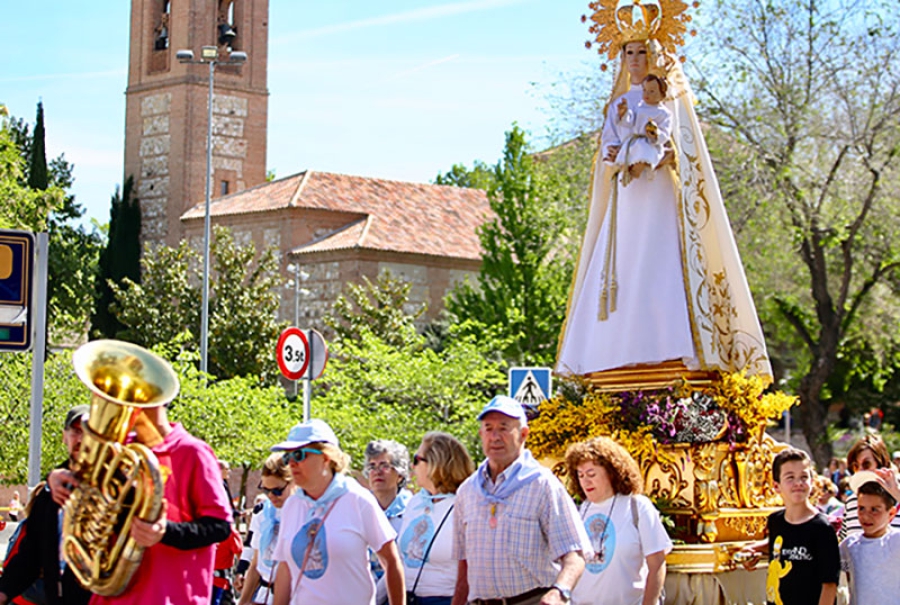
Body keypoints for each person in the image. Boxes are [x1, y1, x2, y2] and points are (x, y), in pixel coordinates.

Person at [556, 22, 770, 379]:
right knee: (621, 263)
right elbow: (607, 150)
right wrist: (622, 152)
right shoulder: (618, 104)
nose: (636, 60)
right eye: (629, 53)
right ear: (621, 58)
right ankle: (612, 352)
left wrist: (665, 154)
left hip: (658, 190)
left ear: (653, 56)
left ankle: (674, 345)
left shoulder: (670, 100)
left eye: (642, 52)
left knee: (661, 257)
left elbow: (687, 149)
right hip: (628, 193)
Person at [49, 402, 234, 605]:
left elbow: (220, 527)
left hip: (171, 597)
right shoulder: (117, 451)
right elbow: (92, 490)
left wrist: (165, 532)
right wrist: (57, 477)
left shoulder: (193, 452)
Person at [451, 395, 591, 605]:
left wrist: (559, 592)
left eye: (504, 428)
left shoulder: (542, 484)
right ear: (481, 434)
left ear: (523, 434)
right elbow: (464, 566)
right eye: (489, 429)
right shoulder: (468, 491)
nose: (495, 437)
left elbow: (575, 554)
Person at [270, 419, 405, 605]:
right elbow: (285, 568)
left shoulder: (358, 499)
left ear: (326, 458)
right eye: (287, 457)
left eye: (299, 455)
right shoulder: (292, 505)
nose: (292, 463)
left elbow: (391, 561)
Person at [0, 405, 92, 605]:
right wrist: (4, 592)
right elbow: (31, 555)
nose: (81, 439)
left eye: (89, 432)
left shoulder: (113, 487)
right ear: (64, 437)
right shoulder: (49, 493)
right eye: (76, 431)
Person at [563, 437, 672, 605]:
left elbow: (657, 564)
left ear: (612, 472)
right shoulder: (577, 511)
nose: (585, 481)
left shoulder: (637, 507)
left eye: (591, 474)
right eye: (581, 475)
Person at [381, 432, 474, 605]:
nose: (411, 466)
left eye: (417, 460)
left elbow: (470, 572)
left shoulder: (465, 505)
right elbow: (398, 562)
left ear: (436, 463)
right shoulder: (415, 502)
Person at [739, 448, 840, 605]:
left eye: (804, 477)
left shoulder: (821, 528)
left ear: (812, 482)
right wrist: (753, 550)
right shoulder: (775, 521)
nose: (798, 483)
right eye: (790, 477)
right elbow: (782, 543)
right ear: (776, 486)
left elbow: (829, 584)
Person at [237, 453, 297, 605]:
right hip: (264, 595)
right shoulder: (263, 513)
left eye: (277, 490)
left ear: (292, 483)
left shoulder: (304, 513)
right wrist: (243, 601)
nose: (271, 496)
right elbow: (256, 564)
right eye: (265, 490)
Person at [839, 471, 900, 604]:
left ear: (891, 513)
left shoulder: (896, 540)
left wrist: (896, 492)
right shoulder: (849, 545)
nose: (866, 516)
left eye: (874, 510)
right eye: (861, 508)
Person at [612, 74, 672, 185]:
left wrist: (655, 133)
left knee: (644, 153)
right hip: (635, 141)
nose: (647, 94)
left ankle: (636, 172)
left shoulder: (664, 113)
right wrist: (623, 113)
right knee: (627, 153)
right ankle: (626, 172)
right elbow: (629, 122)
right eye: (645, 90)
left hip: (650, 143)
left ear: (662, 94)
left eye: (652, 91)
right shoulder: (638, 108)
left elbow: (665, 132)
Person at [838, 434, 900, 540]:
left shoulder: (897, 495)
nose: (861, 470)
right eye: (856, 466)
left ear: (881, 464)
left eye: (866, 464)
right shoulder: (852, 501)